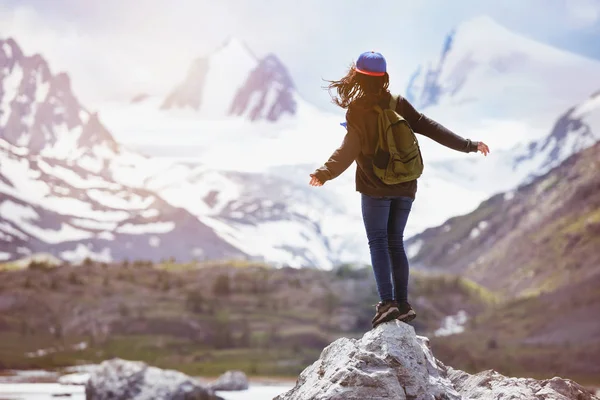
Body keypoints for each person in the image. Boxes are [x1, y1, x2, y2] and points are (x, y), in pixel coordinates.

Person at [309, 51, 490, 329]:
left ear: (357, 76)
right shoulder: (398, 102)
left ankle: (386, 304)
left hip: (374, 187)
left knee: (378, 242)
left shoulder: (356, 109)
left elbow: (350, 148)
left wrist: (325, 172)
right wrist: (468, 144)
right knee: (396, 242)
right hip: (406, 185)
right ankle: (403, 305)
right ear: (384, 76)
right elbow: (430, 127)